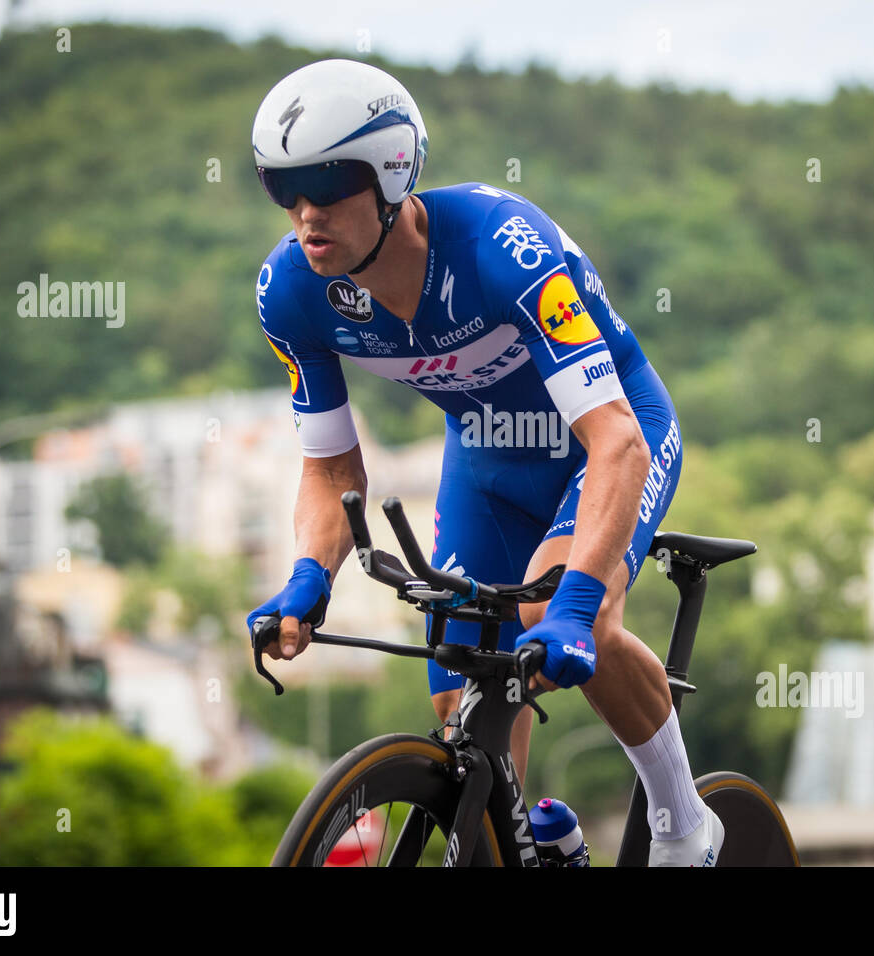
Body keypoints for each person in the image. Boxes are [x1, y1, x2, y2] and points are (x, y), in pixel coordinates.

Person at [246, 58, 719, 866]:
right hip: (487, 461)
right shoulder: (291, 293)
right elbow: (331, 472)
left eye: (325, 186)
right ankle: (532, 847)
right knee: (462, 699)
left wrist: (576, 604)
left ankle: (685, 824)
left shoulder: (507, 250)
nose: (303, 214)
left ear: (391, 173)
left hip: (608, 440)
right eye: (283, 189)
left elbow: (615, 441)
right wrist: (307, 578)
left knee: (560, 615)